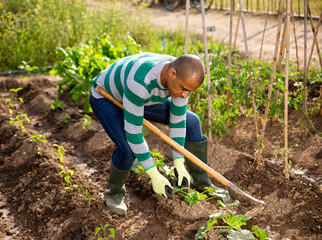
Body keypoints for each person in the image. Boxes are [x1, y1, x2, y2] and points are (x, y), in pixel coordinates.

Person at [89, 53, 228, 216]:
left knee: (192, 121)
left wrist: (178, 161)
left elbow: (177, 121)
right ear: (172, 74)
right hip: (107, 97)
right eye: (183, 89)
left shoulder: (183, 80)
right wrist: (154, 174)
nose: (185, 95)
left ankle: (202, 183)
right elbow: (134, 133)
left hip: (142, 99)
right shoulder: (140, 82)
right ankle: (114, 194)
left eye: (188, 91)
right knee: (127, 149)